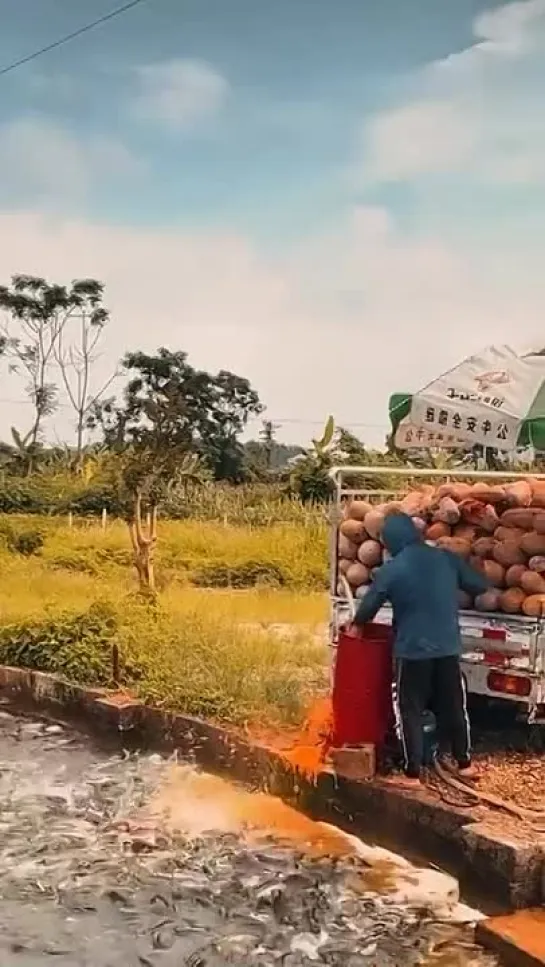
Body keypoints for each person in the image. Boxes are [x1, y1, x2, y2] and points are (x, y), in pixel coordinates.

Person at [350, 512, 490, 787]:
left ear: (390, 541)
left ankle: (412, 773)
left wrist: (357, 625)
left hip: (412, 650)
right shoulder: (446, 559)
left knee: (410, 709)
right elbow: (478, 585)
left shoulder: (394, 568)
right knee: (453, 706)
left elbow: (371, 602)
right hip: (448, 647)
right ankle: (464, 764)